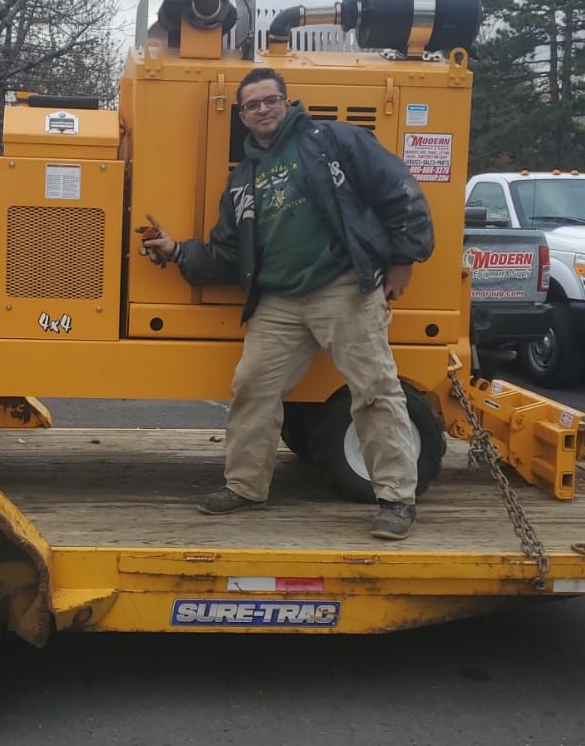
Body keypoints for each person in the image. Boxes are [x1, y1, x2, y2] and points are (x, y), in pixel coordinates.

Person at [139, 67, 435, 540]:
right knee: (251, 386)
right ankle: (245, 487)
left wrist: (405, 260)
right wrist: (177, 251)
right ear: (242, 116)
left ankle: (397, 499)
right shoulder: (243, 180)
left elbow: (398, 190)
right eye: (252, 105)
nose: (262, 109)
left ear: (287, 102)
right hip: (279, 300)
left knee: (375, 390)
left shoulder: (333, 141)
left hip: (343, 288)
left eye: (270, 100)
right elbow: (229, 255)